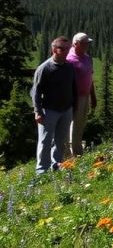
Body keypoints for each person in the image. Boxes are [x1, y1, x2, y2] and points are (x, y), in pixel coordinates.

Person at [31, 36, 78, 174]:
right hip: (49, 110)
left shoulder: (69, 67)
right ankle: (42, 171)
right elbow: (35, 92)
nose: (66, 51)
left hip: (66, 109)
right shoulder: (44, 68)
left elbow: (73, 87)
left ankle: (56, 165)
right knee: (45, 141)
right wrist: (37, 111)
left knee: (60, 141)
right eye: (62, 48)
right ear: (54, 50)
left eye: (69, 48)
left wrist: (74, 107)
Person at [66, 32, 97, 157]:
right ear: (76, 44)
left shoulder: (87, 58)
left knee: (81, 123)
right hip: (74, 97)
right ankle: (71, 153)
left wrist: (93, 96)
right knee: (73, 124)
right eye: (84, 43)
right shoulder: (69, 60)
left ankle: (77, 150)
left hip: (85, 96)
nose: (87, 45)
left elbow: (90, 77)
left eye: (88, 43)